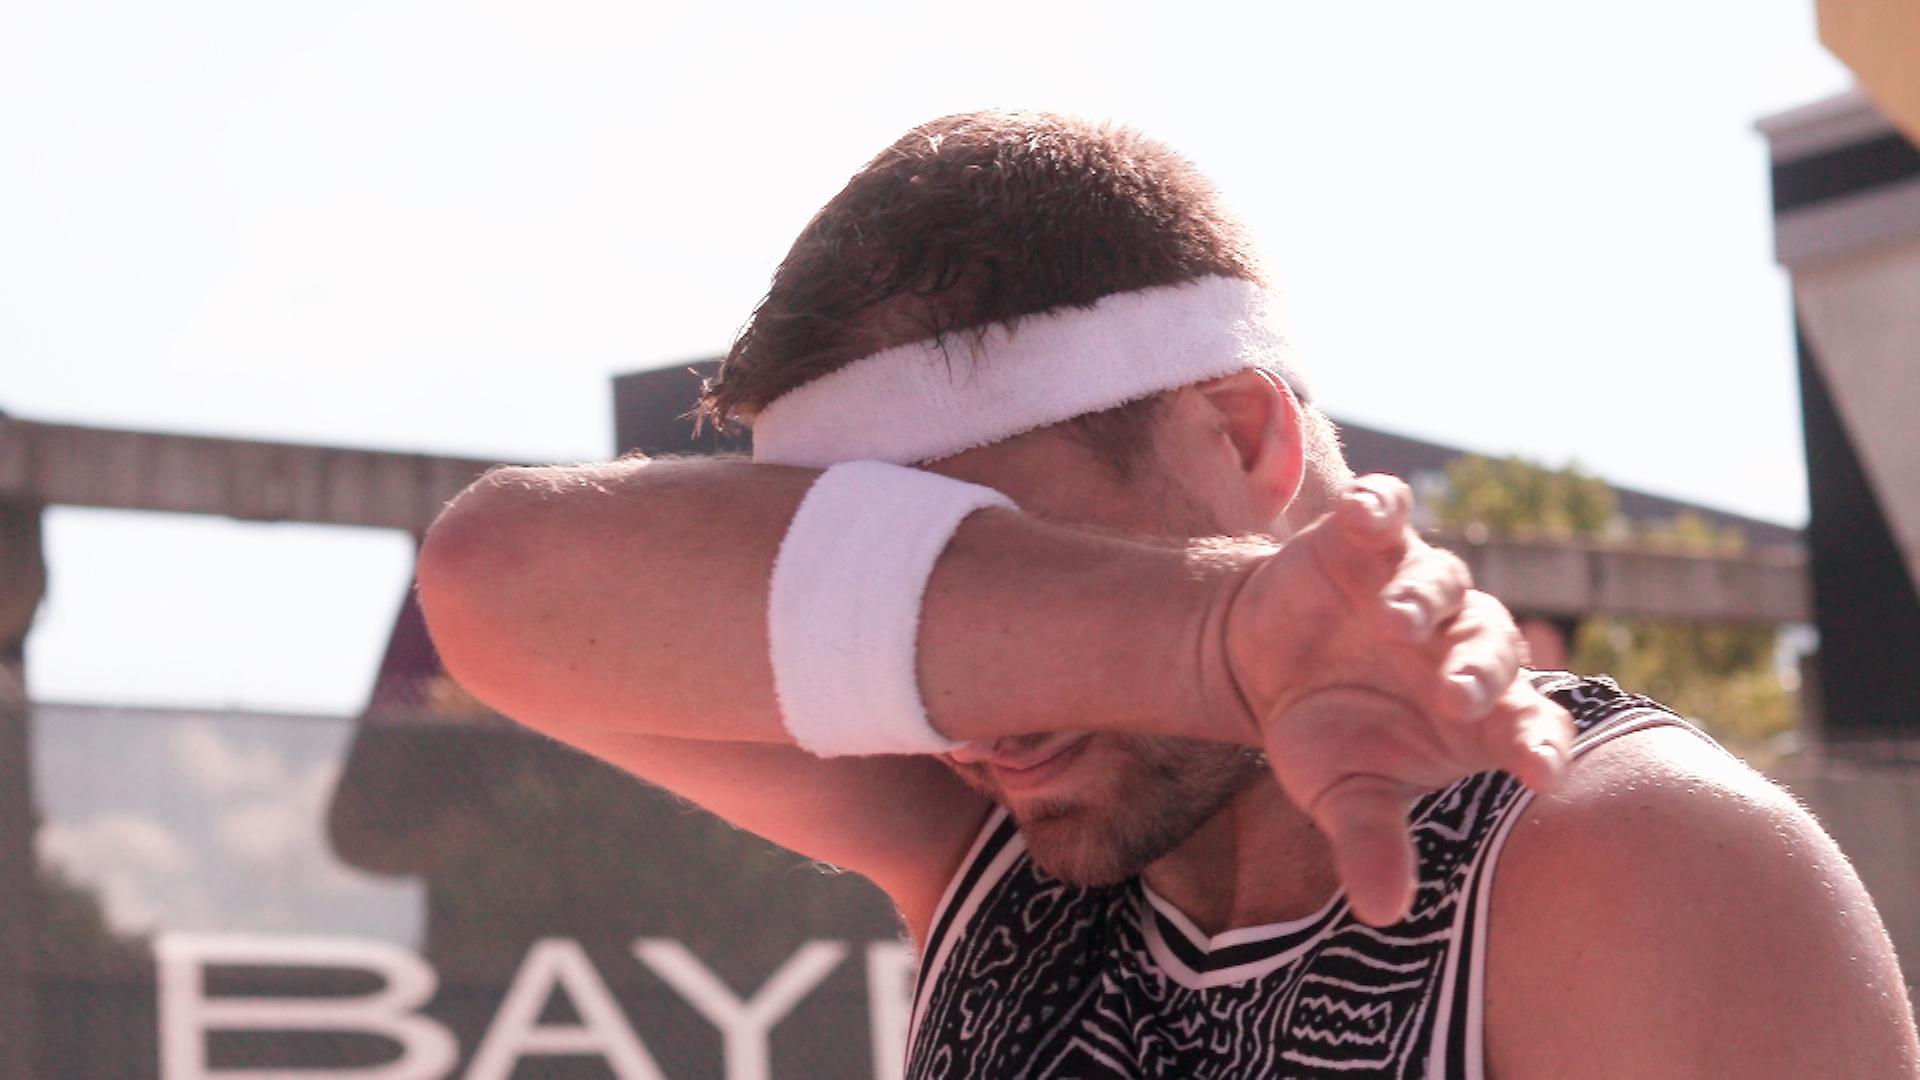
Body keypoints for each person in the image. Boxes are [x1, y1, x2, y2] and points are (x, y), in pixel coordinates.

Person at [417, 112, 1919, 1077]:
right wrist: (1206, 640)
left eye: (996, 549)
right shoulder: (1004, 838)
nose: (972, 715)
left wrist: (1206, 637)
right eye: (925, 600)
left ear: (1245, 436)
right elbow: (496, 582)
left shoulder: (1620, 861)